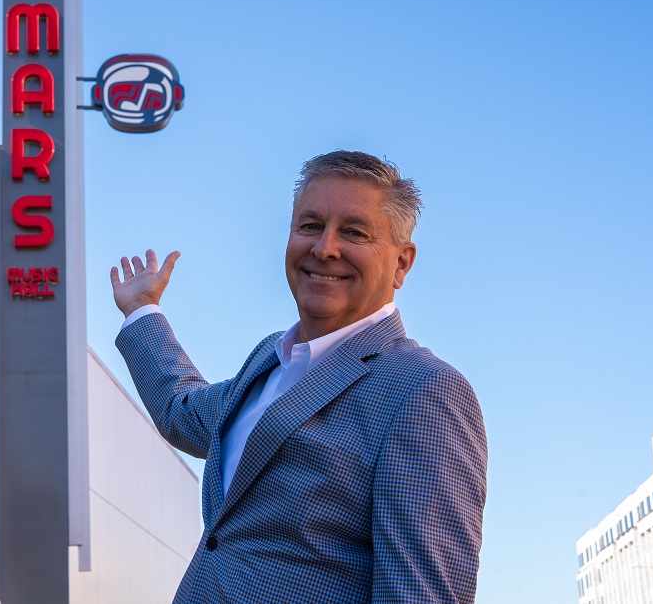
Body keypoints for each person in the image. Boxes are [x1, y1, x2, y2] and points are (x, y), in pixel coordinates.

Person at [110, 150, 487, 604]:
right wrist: (141, 311)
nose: (324, 247)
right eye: (310, 225)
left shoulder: (424, 391)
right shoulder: (268, 360)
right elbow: (183, 412)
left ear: (402, 263)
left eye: (354, 232)